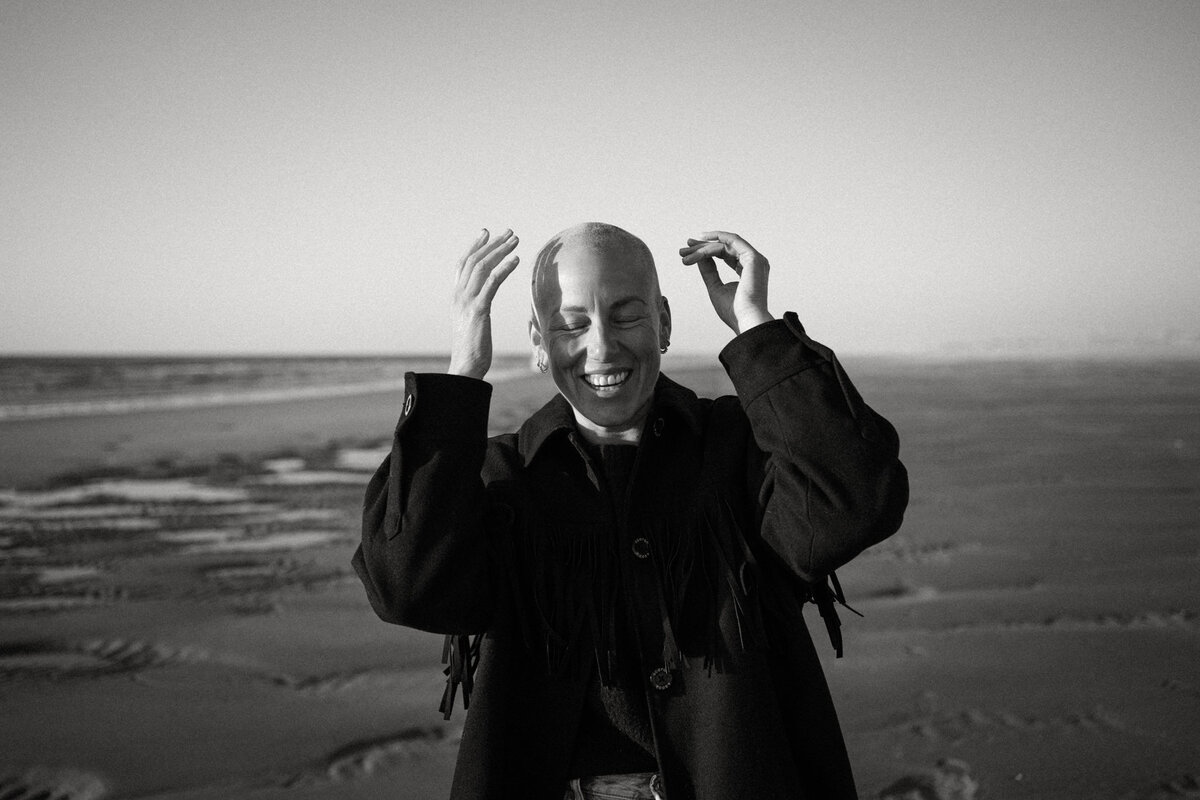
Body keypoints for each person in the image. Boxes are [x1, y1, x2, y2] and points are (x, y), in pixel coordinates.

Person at [352, 223, 909, 800]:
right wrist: (462, 373)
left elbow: (858, 499)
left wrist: (757, 328)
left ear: (663, 322)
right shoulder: (502, 479)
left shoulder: (738, 451)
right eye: (570, 325)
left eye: (626, 316)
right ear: (539, 343)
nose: (600, 348)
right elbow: (406, 586)